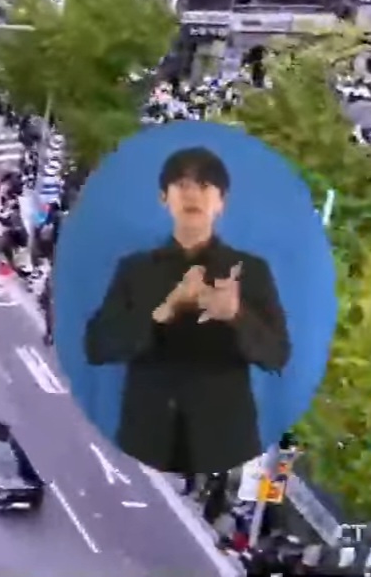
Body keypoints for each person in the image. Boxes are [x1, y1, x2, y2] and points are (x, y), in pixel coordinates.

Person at [83, 146, 290, 473]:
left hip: (222, 441)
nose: (192, 194)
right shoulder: (135, 269)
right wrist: (162, 311)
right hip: (146, 436)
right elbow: (97, 346)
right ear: (164, 198)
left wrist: (236, 315)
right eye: (182, 185)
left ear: (221, 202)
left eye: (205, 186)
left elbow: (277, 356)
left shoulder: (251, 271)